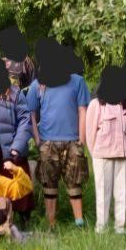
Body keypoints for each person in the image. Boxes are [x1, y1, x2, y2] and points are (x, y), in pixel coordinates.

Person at [26, 71, 90, 228]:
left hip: (73, 141)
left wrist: (82, 139)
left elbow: (83, 110)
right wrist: (37, 140)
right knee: (49, 184)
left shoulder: (78, 81)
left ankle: (79, 222)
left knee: (75, 183)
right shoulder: (37, 84)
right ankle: (51, 224)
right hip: (48, 143)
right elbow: (30, 113)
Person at [85, 69, 126, 234]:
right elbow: (89, 134)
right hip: (102, 156)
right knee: (103, 194)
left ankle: (121, 228)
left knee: (123, 194)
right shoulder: (96, 104)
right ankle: (102, 228)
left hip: (124, 155)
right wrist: (95, 155)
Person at [0, 83, 35, 227]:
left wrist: (17, 146)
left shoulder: (15, 92)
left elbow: (26, 120)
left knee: (21, 184)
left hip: (12, 148)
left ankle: (25, 222)